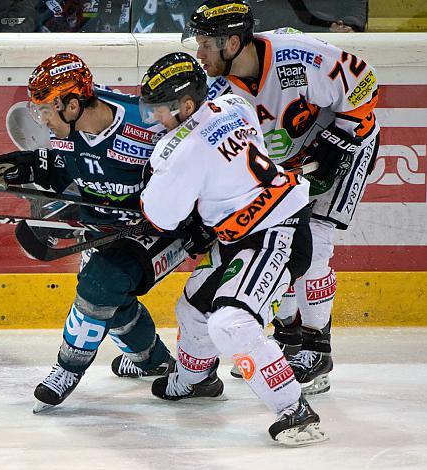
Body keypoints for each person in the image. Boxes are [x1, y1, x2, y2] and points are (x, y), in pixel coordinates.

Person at [184, 0, 380, 394]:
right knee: (282, 244)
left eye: (206, 43)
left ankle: (316, 346)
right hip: (286, 165)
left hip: (344, 146)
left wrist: (336, 141)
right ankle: (288, 339)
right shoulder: (214, 90)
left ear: (234, 43)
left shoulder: (296, 56)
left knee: (318, 245)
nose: (199, 54)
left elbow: (364, 83)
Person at [0, 53, 191, 413]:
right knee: (114, 301)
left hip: (161, 230)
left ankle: (66, 369)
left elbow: (196, 169)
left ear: (74, 104)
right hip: (107, 227)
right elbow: (67, 169)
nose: (43, 119)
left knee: (100, 284)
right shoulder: (65, 128)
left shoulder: (149, 124)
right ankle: (152, 359)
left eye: (47, 109)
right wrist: (34, 169)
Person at [138, 51, 325, 446]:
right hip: (245, 231)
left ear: (187, 105)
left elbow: (162, 217)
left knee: (230, 323)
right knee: (193, 308)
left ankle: (295, 411)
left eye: (160, 110)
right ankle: (196, 380)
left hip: (278, 231)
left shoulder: (181, 152)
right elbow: (229, 168)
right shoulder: (232, 103)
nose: (153, 118)